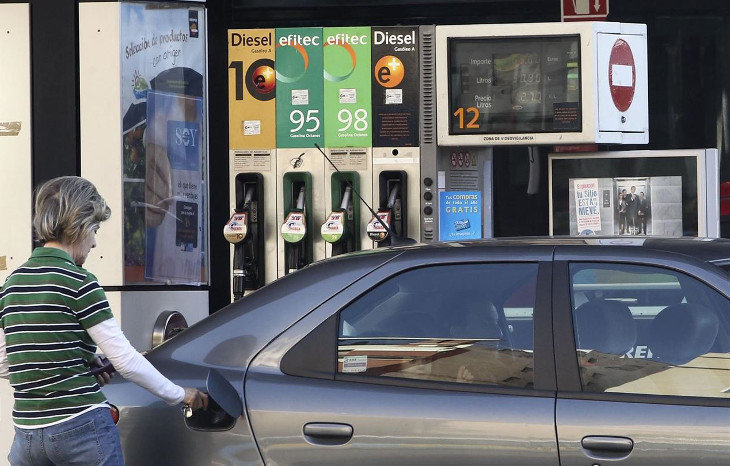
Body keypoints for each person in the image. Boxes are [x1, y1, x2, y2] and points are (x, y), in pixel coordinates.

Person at [0, 176, 208, 466]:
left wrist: (77, 365)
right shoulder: (79, 282)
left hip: (27, 436)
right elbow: (125, 360)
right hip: (81, 428)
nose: (95, 242)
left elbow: (5, 360)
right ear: (80, 226)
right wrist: (180, 395)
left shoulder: (12, 283)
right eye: (95, 229)